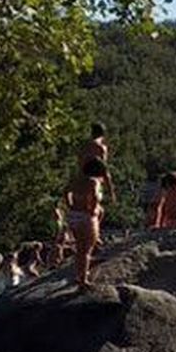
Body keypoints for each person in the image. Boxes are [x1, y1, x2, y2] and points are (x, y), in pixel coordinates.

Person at [65, 158, 106, 289]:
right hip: (86, 216)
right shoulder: (93, 181)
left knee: (79, 248)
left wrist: (70, 204)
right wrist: (93, 209)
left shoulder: (76, 180)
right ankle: (83, 279)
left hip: (73, 215)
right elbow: (94, 196)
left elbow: (66, 192)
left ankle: (79, 274)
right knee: (86, 249)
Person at [78, 122, 117, 204]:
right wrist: (111, 191)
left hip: (84, 174)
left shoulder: (85, 145)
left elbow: (80, 161)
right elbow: (103, 166)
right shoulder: (101, 148)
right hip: (96, 174)